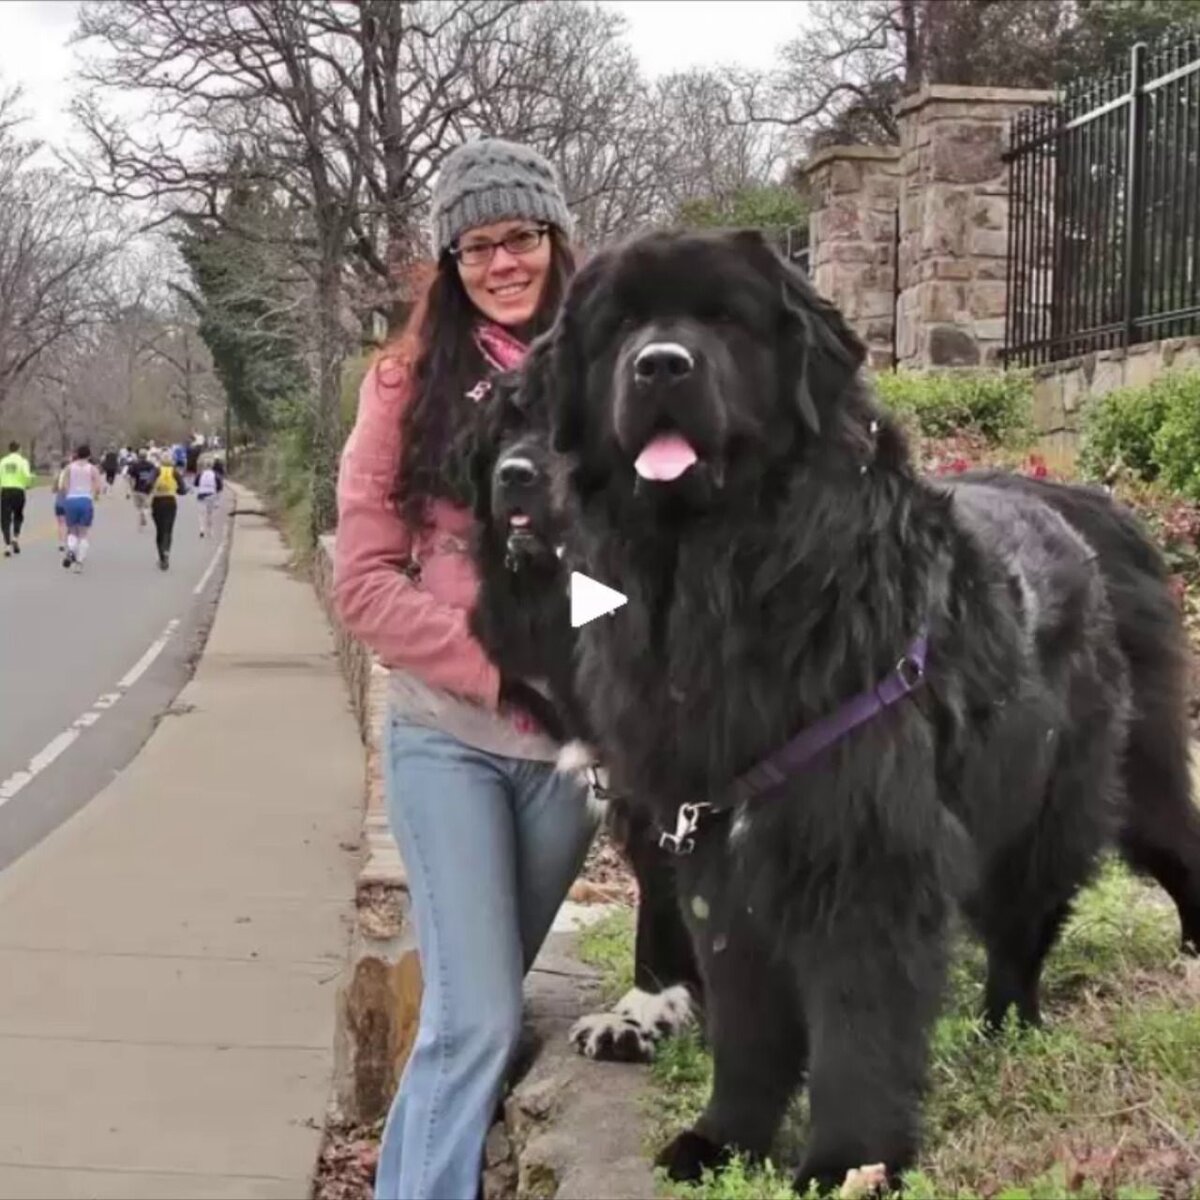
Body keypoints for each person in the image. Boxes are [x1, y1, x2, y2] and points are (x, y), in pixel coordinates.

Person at [334, 139, 593, 1200]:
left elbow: (637, 555)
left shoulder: (607, 370)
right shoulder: (404, 386)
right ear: (450, 260)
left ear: (554, 241)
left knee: (465, 1018)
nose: (502, 261)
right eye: (477, 244)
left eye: (520, 237)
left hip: (571, 753)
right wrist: (506, 662)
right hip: (451, 739)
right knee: (477, 1017)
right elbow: (362, 584)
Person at [60, 445, 102, 572]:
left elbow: (63, 485)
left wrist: (68, 495)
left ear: (77, 454)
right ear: (89, 456)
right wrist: (94, 495)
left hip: (71, 500)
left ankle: (71, 550)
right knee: (83, 533)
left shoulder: (69, 467)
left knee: (72, 530)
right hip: (85, 500)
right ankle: (79, 562)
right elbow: (98, 486)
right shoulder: (92, 469)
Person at [150, 449, 188, 570]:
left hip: (157, 501)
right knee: (168, 530)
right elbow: (183, 489)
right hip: (170, 501)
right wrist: (176, 490)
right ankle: (166, 552)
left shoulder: (156, 471)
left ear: (161, 461)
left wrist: (153, 489)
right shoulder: (175, 472)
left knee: (159, 530)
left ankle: (161, 557)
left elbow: (148, 483)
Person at [0, 439, 33, 557]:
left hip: (5, 490)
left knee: (5, 518)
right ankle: (15, 537)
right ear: (19, 449)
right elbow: (27, 475)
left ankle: (7, 545)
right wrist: (28, 484)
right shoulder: (23, 461)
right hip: (18, 490)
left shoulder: (3, 461)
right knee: (18, 515)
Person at [128, 448, 158, 530]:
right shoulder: (151, 465)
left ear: (138, 456)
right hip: (148, 489)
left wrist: (130, 488)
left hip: (137, 488)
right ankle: (144, 514)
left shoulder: (135, 465)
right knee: (147, 506)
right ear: (146, 456)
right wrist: (154, 487)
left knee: (138, 507)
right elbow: (155, 476)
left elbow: (130, 477)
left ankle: (140, 524)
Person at [195, 457, 219, 538]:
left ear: (204, 466)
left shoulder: (201, 474)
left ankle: (202, 529)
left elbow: (195, 483)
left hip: (201, 495)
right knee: (210, 514)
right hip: (211, 495)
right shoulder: (215, 474)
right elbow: (220, 486)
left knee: (202, 514)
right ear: (212, 466)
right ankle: (210, 531)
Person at [53, 456, 69, 550]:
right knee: (69, 523)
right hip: (69, 502)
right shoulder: (71, 476)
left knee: (60, 523)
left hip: (59, 502)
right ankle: (68, 541)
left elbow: (54, 489)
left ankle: (61, 543)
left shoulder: (58, 475)